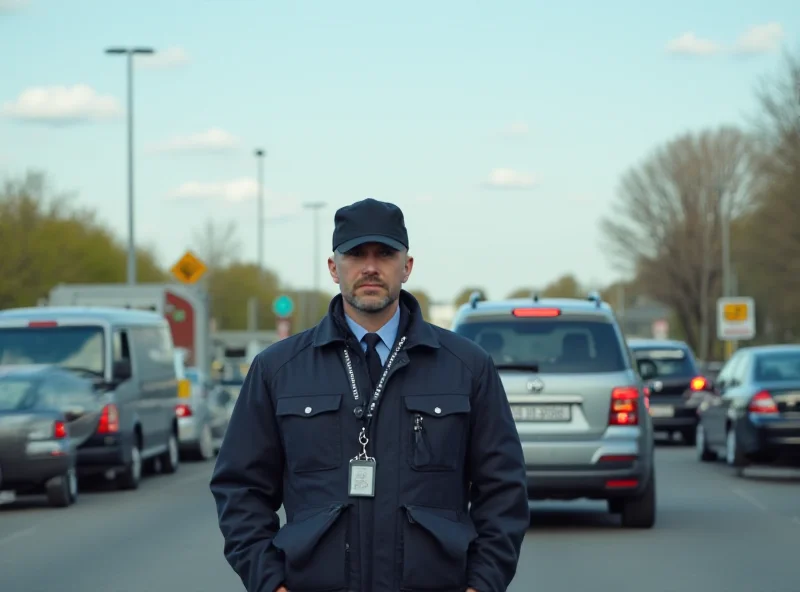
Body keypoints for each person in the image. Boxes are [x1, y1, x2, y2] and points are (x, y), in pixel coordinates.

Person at [210, 197, 530, 592]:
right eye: (356, 254)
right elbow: (240, 489)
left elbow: (503, 491)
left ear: (407, 266)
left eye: (386, 253)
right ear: (333, 268)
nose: (371, 267)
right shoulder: (278, 370)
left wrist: (481, 584)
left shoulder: (466, 367)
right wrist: (270, 583)